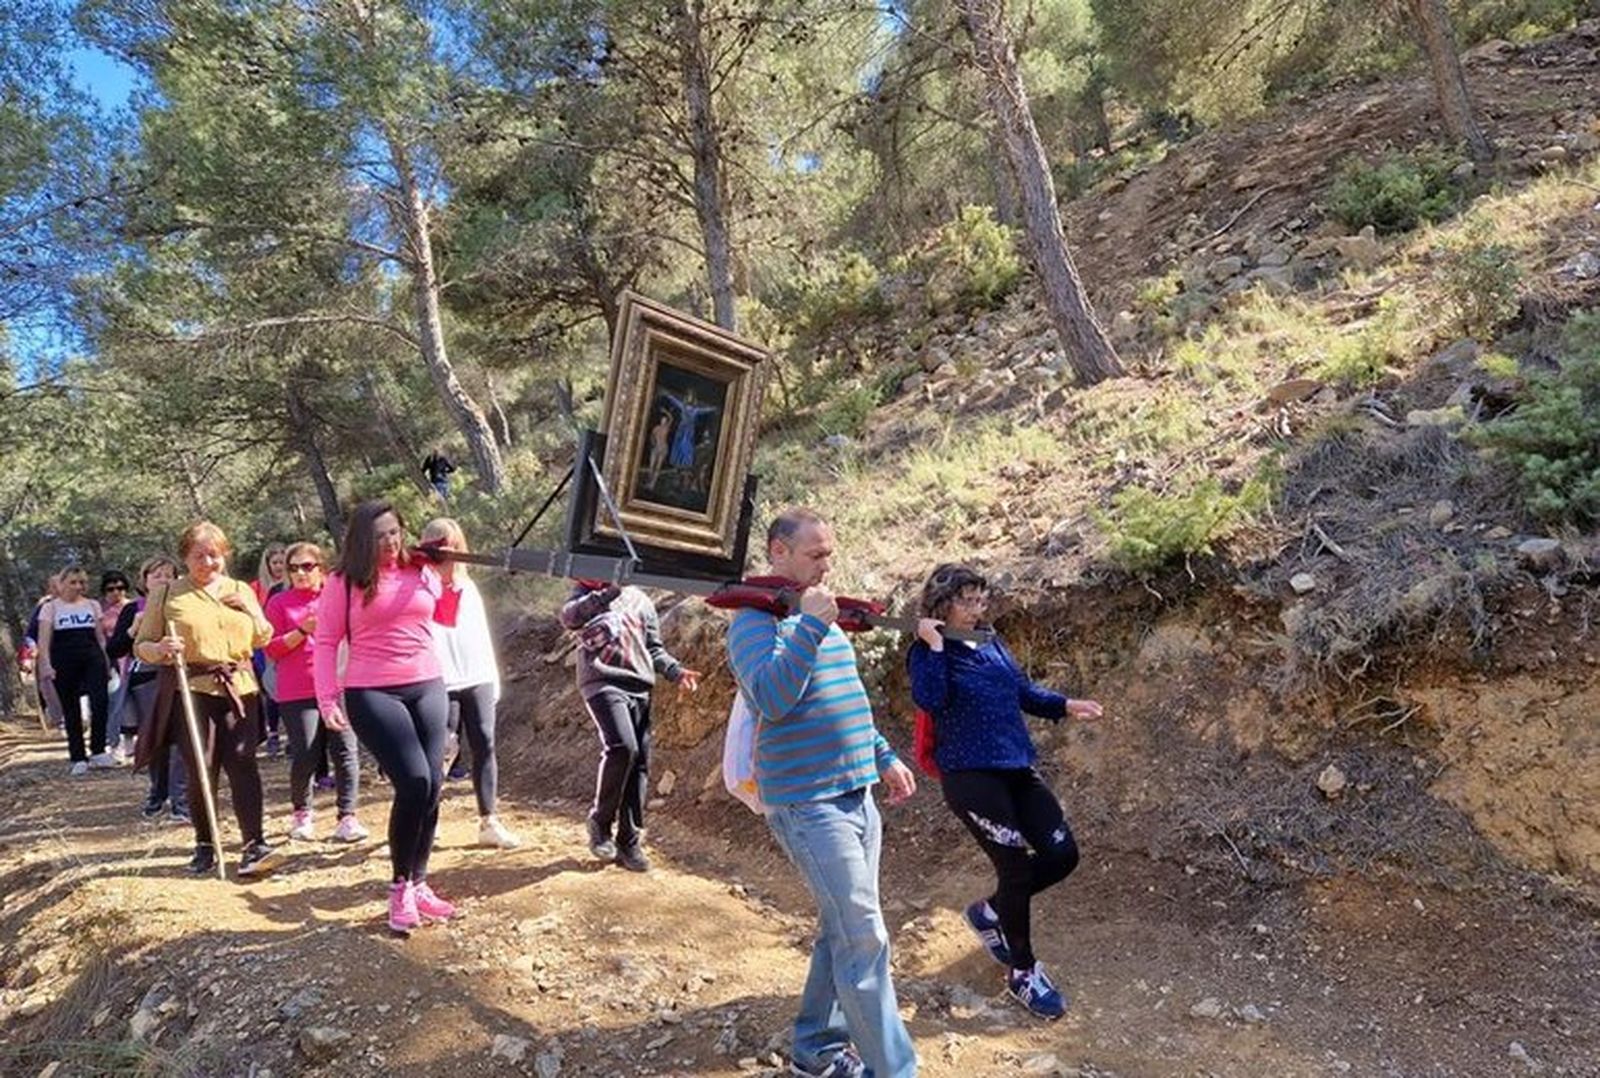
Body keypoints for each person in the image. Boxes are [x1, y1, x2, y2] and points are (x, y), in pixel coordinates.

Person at [726, 508, 918, 1078]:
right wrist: (809, 625)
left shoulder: (821, 614)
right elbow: (773, 697)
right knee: (864, 937)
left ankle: (815, 1049)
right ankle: (896, 1070)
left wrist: (882, 757)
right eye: (815, 554)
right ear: (777, 552)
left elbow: (847, 700)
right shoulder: (753, 622)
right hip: (807, 802)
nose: (826, 565)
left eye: (829, 553)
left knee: (845, 929)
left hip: (856, 793)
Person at [907, 563, 1103, 1021]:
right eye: (967, 600)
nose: (978, 608)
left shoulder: (989, 641)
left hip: (1016, 766)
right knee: (1014, 870)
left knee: (1062, 854)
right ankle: (1023, 972)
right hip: (971, 778)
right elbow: (929, 700)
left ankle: (990, 913)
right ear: (942, 603)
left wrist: (1066, 705)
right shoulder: (926, 651)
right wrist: (934, 646)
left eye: (981, 599)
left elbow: (1021, 691)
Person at [314, 499, 461, 934]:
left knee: (433, 783)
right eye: (379, 536)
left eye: (395, 532)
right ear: (361, 540)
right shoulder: (344, 582)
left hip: (428, 682)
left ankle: (419, 882)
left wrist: (448, 577)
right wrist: (327, 699)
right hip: (372, 690)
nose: (390, 542)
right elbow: (325, 642)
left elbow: (446, 618)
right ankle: (399, 886)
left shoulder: (419, 569)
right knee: (414, 781)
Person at [133, 522, 283, 878]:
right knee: (203, 767)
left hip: (239, 685)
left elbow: (263, 637)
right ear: (185, 557)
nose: (208, 562)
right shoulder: (167, 594)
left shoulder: (240, 590)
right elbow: (142, 646)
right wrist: (160, 649)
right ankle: (205, 843)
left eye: (214, 555)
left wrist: (251, 607)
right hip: (192, 690)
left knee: (244, 763)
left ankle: (254, 844)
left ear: (224, 555)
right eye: (199, 555)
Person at [560, 578, 699, 872]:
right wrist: (610, 591)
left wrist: (675, 671)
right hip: (602, 681)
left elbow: (653, 648)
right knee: (623, 747)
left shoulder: (642, 601)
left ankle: (629, 841)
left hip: (639, 685)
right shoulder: (586, 593)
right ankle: (600, 822)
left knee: (640, 763)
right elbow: (570, 617)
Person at [421, 518, 520, 849]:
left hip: (477, 675)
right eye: (434, 544)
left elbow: (480, 637)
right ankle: (427, 817)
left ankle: (488, 820)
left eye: (448, 543)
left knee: (484, 743)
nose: (442, 551)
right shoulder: (421, 586)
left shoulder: (470, 588)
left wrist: (493, 677)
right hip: (440, 678)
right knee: (443, 748)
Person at [264, 542, 367, 844]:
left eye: (307, 566)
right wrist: (302, 631)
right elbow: (271, 648)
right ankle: (302, 813)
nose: (299, 573)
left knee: (345, 751)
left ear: (321, 569)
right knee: (306, 754)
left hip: (340, 685)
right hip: (297, 689)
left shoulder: (337, 597)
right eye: (293, 567)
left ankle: (347, 817)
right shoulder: (279, 603)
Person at [107, 554, 189, 821]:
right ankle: (157, 793)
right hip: (147, 681)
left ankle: (181, 800)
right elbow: (115, 648)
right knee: (156, 739)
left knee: (181, 739)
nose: (164, 580)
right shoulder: (133, 608)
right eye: (157, 575)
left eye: (169, 574)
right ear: (144, 581)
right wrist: (133, 630)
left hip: (182, 677)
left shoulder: (186, 604)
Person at [37, 565, 116, 774]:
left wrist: (106, 661)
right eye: (72, 582)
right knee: (71, 707)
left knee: (100, 701)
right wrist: (46, 664)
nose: (77, 586)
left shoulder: (92, 605)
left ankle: (99, 750)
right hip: (64, 658)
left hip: (92, 657)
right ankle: (78, 756)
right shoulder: (50, 608)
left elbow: (100, 637)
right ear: (61, 584)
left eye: (81, 582)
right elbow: (44, 641)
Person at [252, 544, 288, 756]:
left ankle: (292, 733)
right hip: (264, 644)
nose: (278, 567)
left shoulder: (292, 585)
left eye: (282, 562)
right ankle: (273, 732)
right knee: (271, 687)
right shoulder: (257, 588)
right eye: (274, 562)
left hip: (289, 640)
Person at [100, 570, 134, 759]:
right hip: (111, 661)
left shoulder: (133, 607)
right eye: (111, 588)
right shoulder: (101, 611)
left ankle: (131, 741)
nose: (116, 592)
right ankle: (114, 743)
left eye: (120, 588)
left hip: (134, 660)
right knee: (115, 701)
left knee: (133, 703)